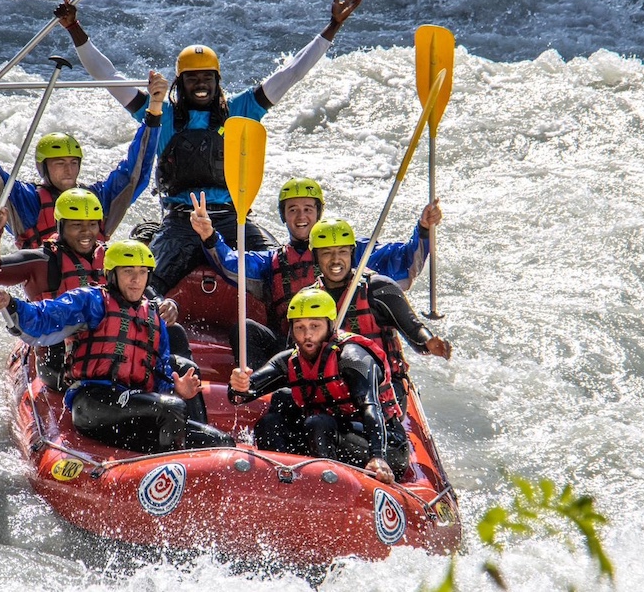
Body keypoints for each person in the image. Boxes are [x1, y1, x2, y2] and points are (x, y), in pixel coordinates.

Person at [53, 0, 365, 294]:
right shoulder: (162, 114)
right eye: (192, 78)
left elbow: (293, 71)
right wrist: (74, 28)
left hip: (232, 218)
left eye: (207, 77)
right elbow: (108, 77)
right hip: (180, 222)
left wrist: (333, 26)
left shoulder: (242, 110)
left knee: (283, 271)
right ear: (180, 82)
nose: (200, 84)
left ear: (217, 80)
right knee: (144, 286)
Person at [0, 240, 234, 454]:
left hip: (135, 407)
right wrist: (13, 305)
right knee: (170, 408)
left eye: (142, 272)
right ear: (112, 274)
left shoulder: (154, 319)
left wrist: (177, 388)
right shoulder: (91, 300)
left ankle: (183, 473)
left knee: (220, 440)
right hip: (93, 403)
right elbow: (45, 316)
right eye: (128, 272)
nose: (136, 280)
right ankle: (165, 479)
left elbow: (159, 376)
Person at [188, 178, 442, 367]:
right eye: (293, 210)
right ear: (284, 217)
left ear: (319, 213)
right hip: (295, 351)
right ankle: (258, 389)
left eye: (308, 209)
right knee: (245, 328)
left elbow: (405, 262)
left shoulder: (349, 251)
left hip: (348, 354)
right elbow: (232, 265)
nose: (301, 216)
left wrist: (422, 228)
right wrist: (210, 236)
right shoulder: (272, 262)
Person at [0, 70, 168, 249]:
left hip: (96, 301)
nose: (69, 170)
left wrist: (155, 108)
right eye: (59, 163)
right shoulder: (23, 202)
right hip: (47, 305)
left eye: (73, 163)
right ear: (43, 168)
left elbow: (136, 169)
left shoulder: (100, 199)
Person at [0, 188, 181, 389]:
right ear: (61, 226)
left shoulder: (113, 257)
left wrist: (166, 303)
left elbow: (140, 293)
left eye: (93, 225)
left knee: (175, 332)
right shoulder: (41, 260)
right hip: (56, 353)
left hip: (111, 347)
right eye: (77, 225)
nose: (86, 232)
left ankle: (169, 388)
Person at [227, 288, 409, 483]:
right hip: (330, 437)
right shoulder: (289, 360)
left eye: (315, 326)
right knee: (271, 421)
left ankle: (331, 488)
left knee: (317, 423)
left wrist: (378, 457)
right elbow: (241, 395)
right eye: (300, 327)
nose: (307, 335)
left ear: (330, 326)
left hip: (384, 444)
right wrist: (239, 385)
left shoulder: (352, 358)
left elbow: (371, 408)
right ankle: (277, 486)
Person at [308, 218, 452, 416]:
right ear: (315, 257)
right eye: (327, 253)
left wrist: (428, 342)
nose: (335, 260)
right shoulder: (308, 299)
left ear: (351, 253)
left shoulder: (378, 288)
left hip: (383, 388)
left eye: (342, 252)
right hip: (334, 388)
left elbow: (413, 328)